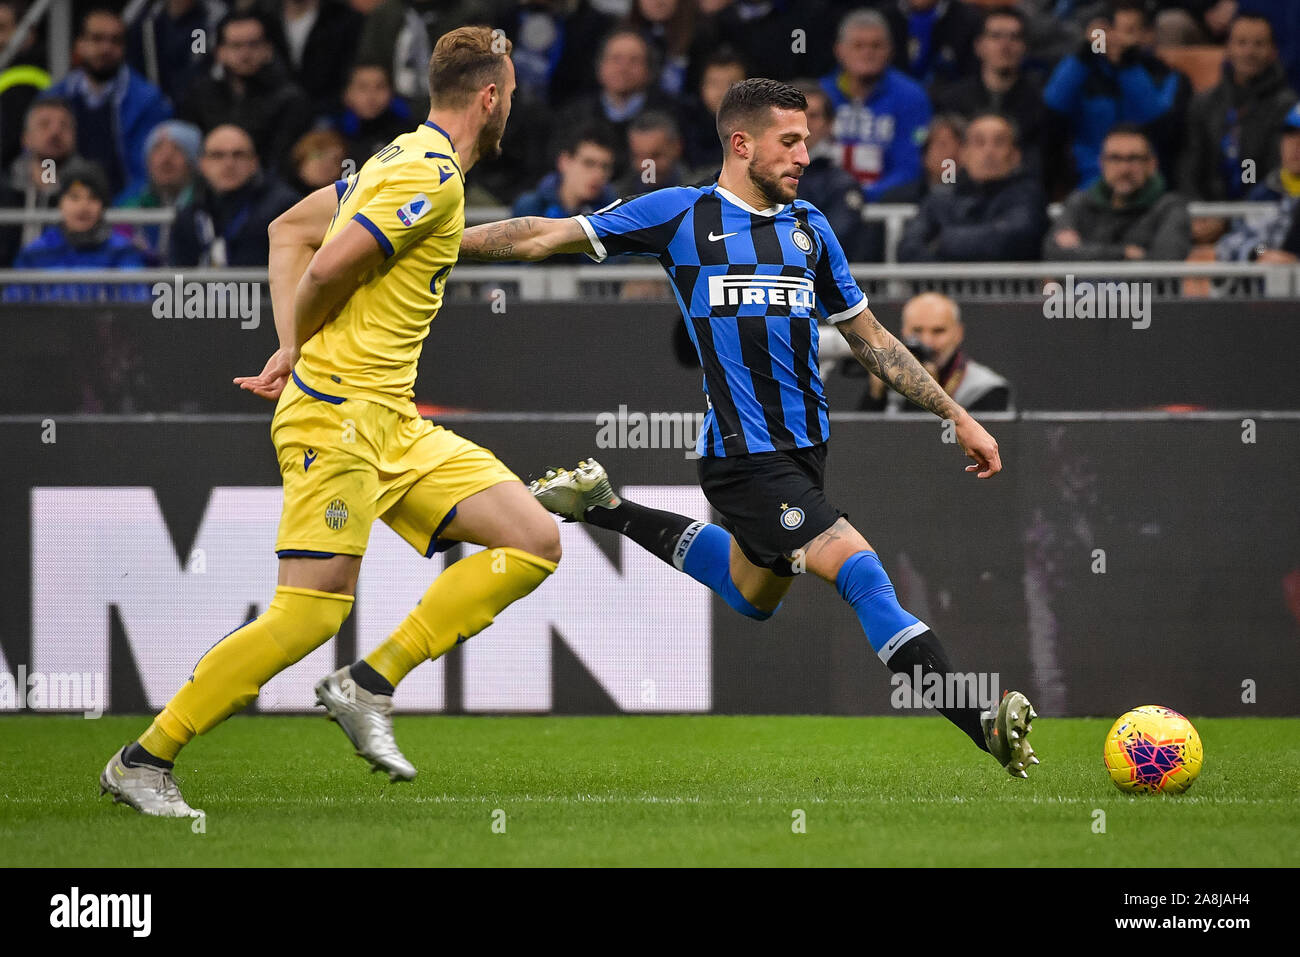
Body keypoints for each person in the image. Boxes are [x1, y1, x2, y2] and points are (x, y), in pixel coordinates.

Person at [459, 78, 1039, 779]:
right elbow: (542, 235)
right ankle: (982, 723)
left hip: (805, 454)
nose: (804, 154)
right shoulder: (682, 215)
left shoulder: (810, 227)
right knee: (862, 573)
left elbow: (871, 338)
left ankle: (606, 507)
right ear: (742, 143)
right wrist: (428, 240)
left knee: (751, 594)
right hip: (743, 457)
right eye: (789, 141)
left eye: (807, 139)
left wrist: (956, 413)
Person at [101, 26, 563, 818]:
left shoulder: (399, 161)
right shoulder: (429, 173)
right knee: (310, 611)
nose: (512, 106)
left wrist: (290, 343)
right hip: (338, 416)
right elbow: (323, 262)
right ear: (489, 97)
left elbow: (289, 229)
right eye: (511, 94)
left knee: (533, 537)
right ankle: (145, 758)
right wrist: (297, 345)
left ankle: (368, 682)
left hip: (390, 420)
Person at [1043, 0, 1180, 187]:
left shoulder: (1163, 74)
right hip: (1089, 182)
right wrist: (1086, 54)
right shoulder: (1082, 71)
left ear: (1148, 35)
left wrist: (1127, 65)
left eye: (1129, 31)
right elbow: (1052, 107)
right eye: (1111, 31)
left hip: (1146, 182)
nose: (1118, 38)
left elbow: (1157, 123)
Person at [45, 7, 173, 201]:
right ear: (79, 44)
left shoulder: (148, 101)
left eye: (115, 41)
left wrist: (119, 214)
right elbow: (39, 159)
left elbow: (148, 170)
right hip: (66, 208)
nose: (106, 48)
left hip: (128, 212)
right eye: (97, 39)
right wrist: (56, 200)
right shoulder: (53, 98)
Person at [177, 10, 312, 178]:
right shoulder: (200, 94)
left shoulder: (290, 99)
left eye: (253, 44)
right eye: (236, 46)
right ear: (220, 52)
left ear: (267, 49)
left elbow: (281, 164)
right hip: (207, 188)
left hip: (266, 191)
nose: (245, 54)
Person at [897, 112, 1048, 262]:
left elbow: (1013, 241)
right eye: (979, 142)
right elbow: (908, 250)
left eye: (999, 142)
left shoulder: (1028, 196)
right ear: (963, 154)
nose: (989, 152)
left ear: (1015, 156)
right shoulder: (939, 200)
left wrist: (942, 241)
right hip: (943, 286)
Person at [820, 8, 930, 203]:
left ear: (890, 50)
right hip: (822, 205)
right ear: (839, 50)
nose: (867, 53)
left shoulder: (911, 97)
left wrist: (861, 196)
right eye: (858, 46)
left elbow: (909, 168)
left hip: (887, 209)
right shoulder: (820, 96)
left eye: (876, 46)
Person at [4, 159, 150, 303]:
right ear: (60, 203)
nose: (83, 207)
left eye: (92, 198)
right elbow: (14, 309)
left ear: (102, 207)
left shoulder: (122, 252)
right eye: (74, 197)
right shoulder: (36, 253)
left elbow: (135, 306)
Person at [1044, 124, 1190, 261]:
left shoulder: (1170, 207)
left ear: (1152, 164)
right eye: (1115, 158)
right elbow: (1053, 252)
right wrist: (1124, 253)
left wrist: (1082, 250)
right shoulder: (1080, 203)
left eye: (1134, 158)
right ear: (1102, 163)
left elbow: (1165, 263)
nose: (1124, 168)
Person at [849, 292, 1013, 414]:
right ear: (903, 332)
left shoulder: (986, 388)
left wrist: (926, 393)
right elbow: (862, 442)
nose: (927, 341)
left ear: (958, 333)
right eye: (917, 331)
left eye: (938, 331)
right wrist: (875, 396)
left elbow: (933, 450)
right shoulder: (891, 377)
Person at [168, 124, 300, 267]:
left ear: (254, 162)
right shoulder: (189, 216)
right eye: (217, 155)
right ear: (202, 164)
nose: (229, 163)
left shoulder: (283, 209)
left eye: (238, 155)